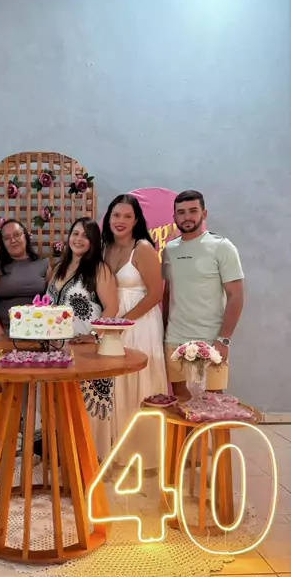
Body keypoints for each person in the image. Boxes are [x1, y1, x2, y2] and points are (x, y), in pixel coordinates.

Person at [103, 194, 167, 470]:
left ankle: (144, 454)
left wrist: (123, 322)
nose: (121, 221)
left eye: (127, 216)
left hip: (140, 323)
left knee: (140, 380)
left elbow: (155, 294)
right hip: (112, 323)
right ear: (109, 217)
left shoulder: (142, 248)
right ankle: (116, 449)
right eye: (116, 215)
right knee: (116, 383)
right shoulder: (105, 248)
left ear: (137, 220)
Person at [47, 217, 118, 460]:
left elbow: (112, 307)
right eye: (75, 233)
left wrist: (94, 335)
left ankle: (90, 460)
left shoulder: (99, 269)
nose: (78, 239)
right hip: (55, 350)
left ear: (93, 242)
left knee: (86, 407)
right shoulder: (58, 268)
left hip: (86, 351)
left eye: (85, 236)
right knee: (60, 405)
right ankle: (64, 457)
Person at [162, 189, 244, 398]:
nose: (187, 217)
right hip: (174, 340)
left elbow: (236, 296)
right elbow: (168, 293)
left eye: (193, 211)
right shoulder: (169, 250)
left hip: (211, 341)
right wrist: (163, 333)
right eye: (181, 212)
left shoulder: (222, 247)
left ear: (204, 213)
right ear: (174, 217)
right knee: (181, 404)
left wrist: (223, 340)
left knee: (212, 405)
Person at [0, 219, 50, 339]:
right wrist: (1, 335)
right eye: (7, 238)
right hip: (5, 331)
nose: (13, 240)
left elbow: (53, 299)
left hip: (38, 331)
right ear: (3, 243)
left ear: (26, 236)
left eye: (17, 234)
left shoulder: (43, 263)